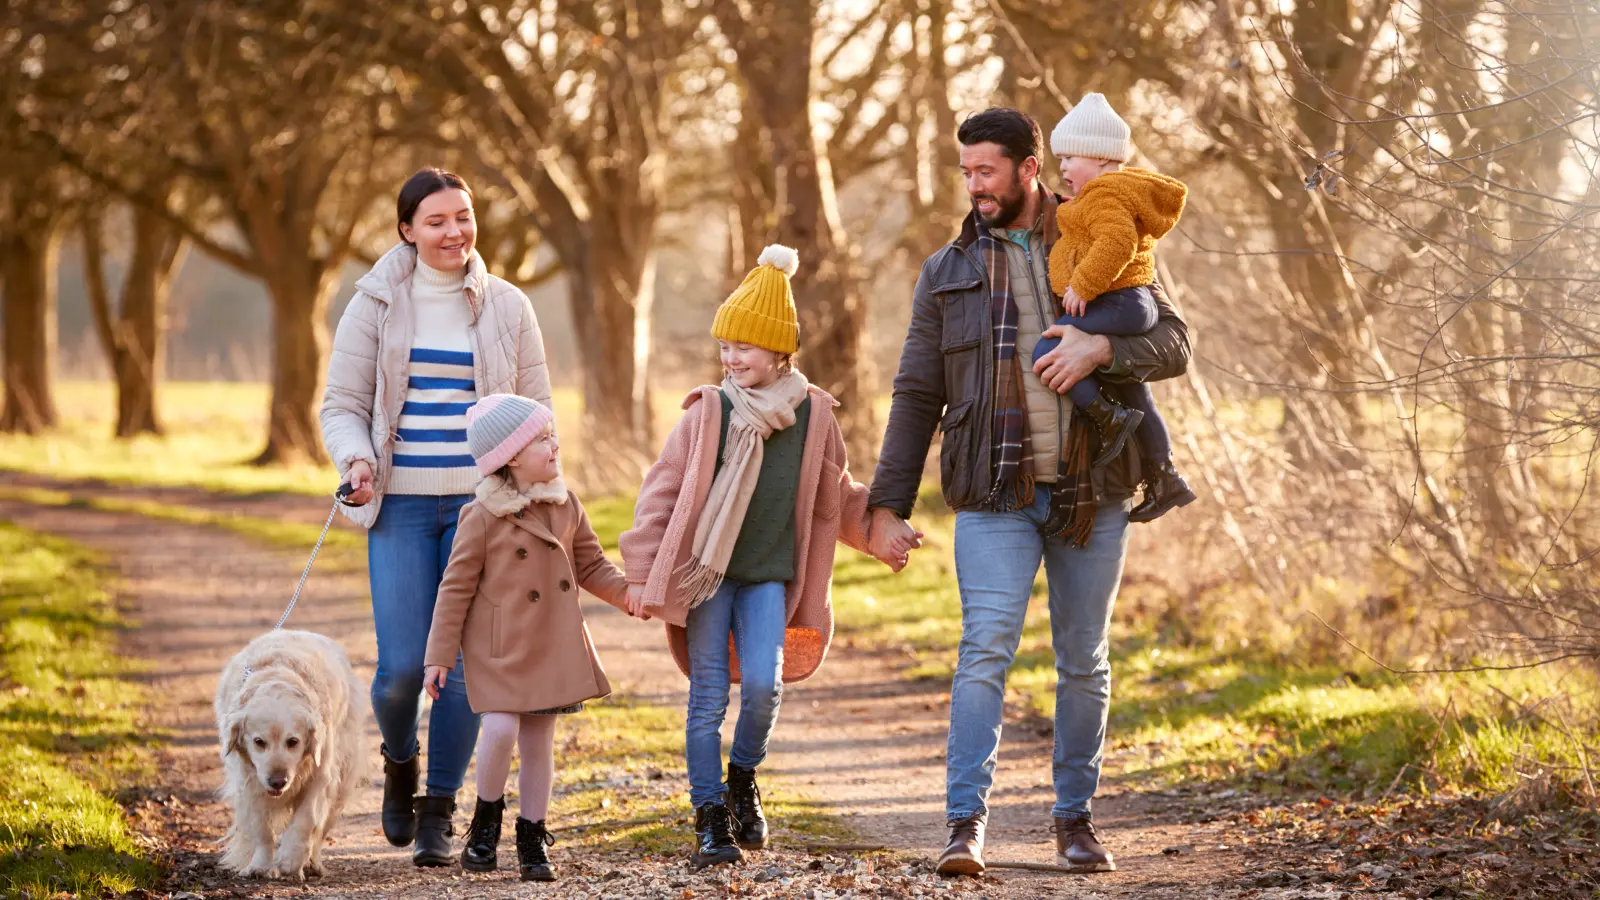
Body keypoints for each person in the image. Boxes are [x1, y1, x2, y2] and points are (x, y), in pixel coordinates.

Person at [866, 108, 1192, 876]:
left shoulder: (1101, 229)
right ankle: (963, 826)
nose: (974, 185)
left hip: (1093, 489)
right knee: (984, 650)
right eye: (966, 172)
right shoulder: (945, 272)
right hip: (992, 493)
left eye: (987, 170)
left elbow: (1174, 341)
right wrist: (886, 506)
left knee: (1083, 660)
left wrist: (1102, 345)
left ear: (1028, 168)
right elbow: (917, 393)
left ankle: (1074, 820)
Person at [618, 244, 913, 870]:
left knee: (762, 685)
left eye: (745, 348)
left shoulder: (813, 416)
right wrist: (642, 575)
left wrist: (880, 532)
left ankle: (742, 777)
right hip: (706, 577)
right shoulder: (708, 413)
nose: (731, 359)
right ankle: (709, 818)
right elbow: (659, 493)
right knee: (705, 699)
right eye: (725, 347)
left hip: (769, 579)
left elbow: (837, 495)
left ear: (780, 352)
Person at [319, 167, 551, 866]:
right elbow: (342, 406)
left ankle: (439, 810)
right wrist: (357, 461)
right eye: (437, 221)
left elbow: (537, 413)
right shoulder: (375, 304)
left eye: (464, 217)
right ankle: (400, 756)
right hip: (401, 505)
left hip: (486, 508)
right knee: (399, 671)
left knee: (464, 669)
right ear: (407, 231)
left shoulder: (510, 307)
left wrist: (542, 500)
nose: (455, 232)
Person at [422, 393, 636, 882]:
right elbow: (454, 588)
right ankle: (485, 821)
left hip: (552, 644)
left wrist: (627, 595)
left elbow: (591, 564)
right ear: (511, 457)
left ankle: (533, 837)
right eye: (542, 439)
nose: (554, 445)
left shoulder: (565, 504)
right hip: (500, 647)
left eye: (551, 434)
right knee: (499, 730)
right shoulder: (480, 516)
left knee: (540, 742)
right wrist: (439, 655)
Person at [1032, 92, 1195, 521]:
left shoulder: (1105, 195)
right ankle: (1166, 477)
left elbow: (1117, 243)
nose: (1062, 167)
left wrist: (1082, 288)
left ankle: (1107, 418)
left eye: (1070, 157)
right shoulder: (1106, 195)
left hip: (1121, 300)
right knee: (1135, 389)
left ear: (1103, 159)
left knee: (1049, 349)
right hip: (1131, 302)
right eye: (1059, 158)